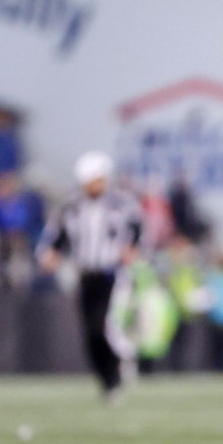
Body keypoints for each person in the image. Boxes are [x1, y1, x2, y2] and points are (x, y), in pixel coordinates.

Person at [36, 151, 141, 402]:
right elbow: (56, 236)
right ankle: (107, 380)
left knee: (106, 326)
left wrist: (133, 250)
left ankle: (119, 367)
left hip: (112, 274)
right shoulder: (71, 206)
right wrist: (50, 254)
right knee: (90, 331)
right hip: (85, 274)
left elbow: (137, 230)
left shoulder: (121, 203)